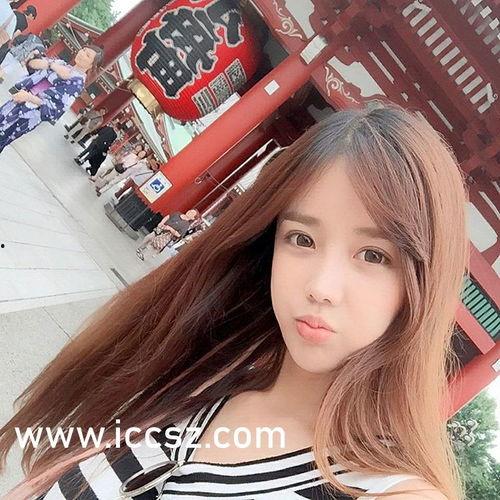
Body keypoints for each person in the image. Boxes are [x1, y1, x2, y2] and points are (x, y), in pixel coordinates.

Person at [0, 104, 469, 500]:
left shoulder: (383, 490)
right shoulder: (202, 374)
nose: (321, 287)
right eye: (302, 238)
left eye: (373, 255)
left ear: (422, 283)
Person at [0, 45, 104, 154]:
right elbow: (32, 64)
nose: (82, 53)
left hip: (29, 111)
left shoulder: (77, 83)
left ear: (92, 65)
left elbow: (56, 106)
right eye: (83, 50)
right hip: (19, 99)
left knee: (3, 134)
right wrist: (52, 65)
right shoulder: (62, 64)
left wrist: (28, 97)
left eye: (87, 55)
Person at [135, 209, 200, 260]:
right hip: (161, 229)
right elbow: (168, 217)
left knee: (155, 246)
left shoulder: (186, 225)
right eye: (191, 211)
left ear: (193, 218)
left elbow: (179, 235)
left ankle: (144, 256)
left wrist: (170, 229)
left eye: (192, 213)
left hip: (166, 235)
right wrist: (161, 223)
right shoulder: (178, 213)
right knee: (149, 237)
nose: (189, 212)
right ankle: (140, 248)